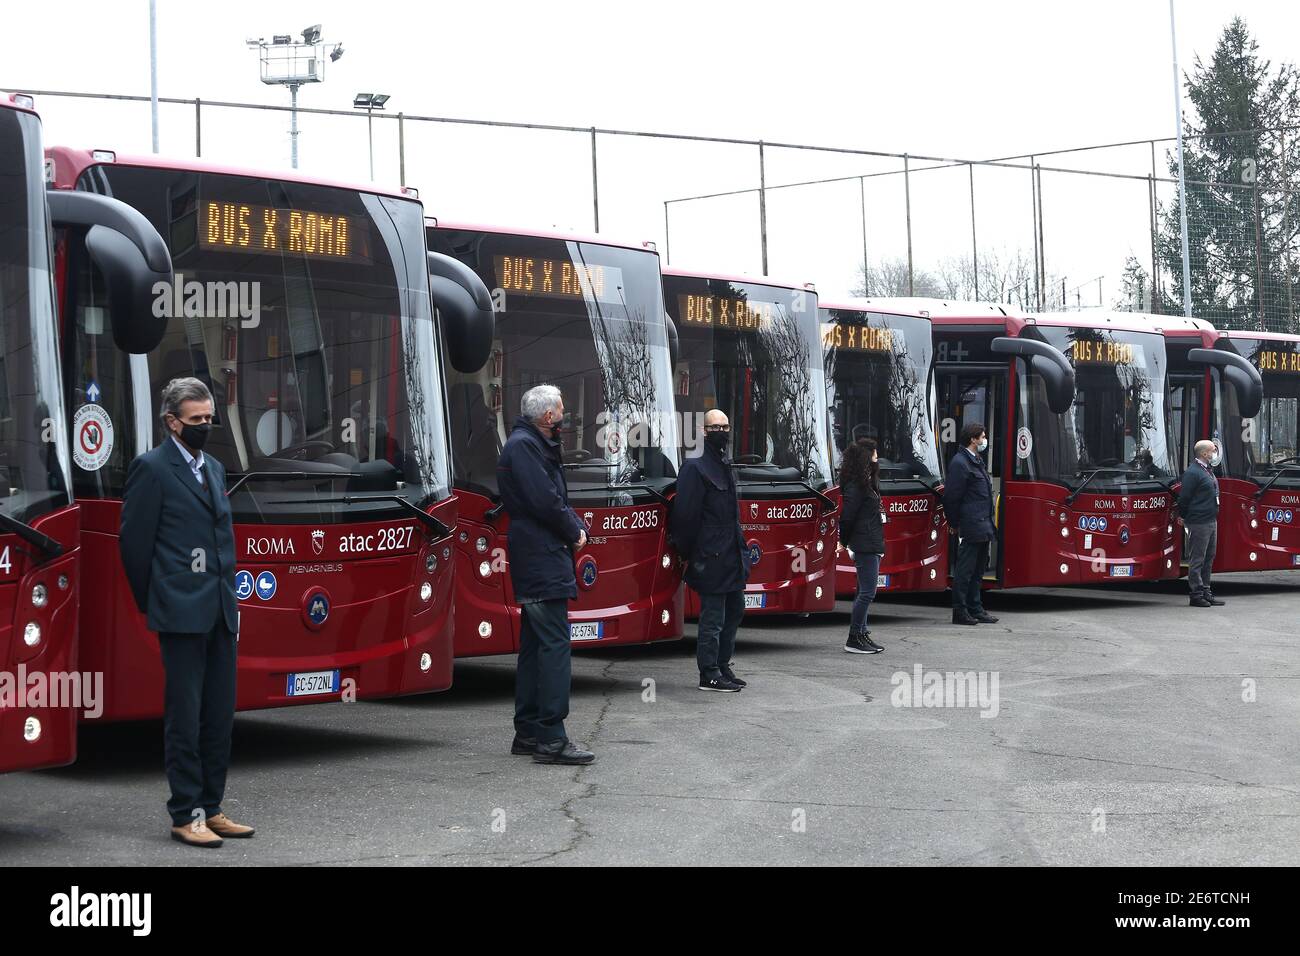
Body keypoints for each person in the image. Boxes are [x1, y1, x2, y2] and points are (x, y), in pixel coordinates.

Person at [119, 377, 253, 848]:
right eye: (196, 420)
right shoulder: (151, 469)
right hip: (179, 614)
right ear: (172, 422)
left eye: (209, 418)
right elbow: (135, 546)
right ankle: (185, 813)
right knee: (185, 716)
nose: (205, 426)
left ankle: (211, 807)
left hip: (220, 612)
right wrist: (158, 601)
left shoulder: (214, 468)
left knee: (218, 716)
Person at [497, 384, 595, 765]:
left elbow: (553, 500)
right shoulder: (525, 446)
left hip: (538, 555)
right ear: (549, 416)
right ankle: (552, 736)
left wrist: (574, 523)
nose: (565, 417)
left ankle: (529, 731)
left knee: (536, 647)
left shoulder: (529, 443)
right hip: (541, 556)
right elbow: (546, 501)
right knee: (554, 647)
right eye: (561, 411)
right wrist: (575, 531)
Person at [672, 409, 750, 692]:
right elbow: (685, 517)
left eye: (726, 426)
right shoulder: (695, 467)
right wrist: (689, 553)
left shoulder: (724, 464)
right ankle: (709, 673)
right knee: (713, 617)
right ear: (704, 431)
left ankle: (723, 665)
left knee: (735, 611)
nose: (723, 431)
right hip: (710, 556)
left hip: (732, 555)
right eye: (716, 427)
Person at [943, 422, 999, 626]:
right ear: (973, 439)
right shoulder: (960, 462)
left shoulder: (976, 460)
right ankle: (960, 611)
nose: (985, 440)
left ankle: (976, 608)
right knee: (964, 571)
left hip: (983, 523)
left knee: (977, 571)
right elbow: (951, 496)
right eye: (983, 437)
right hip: (971, 524)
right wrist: (953, 522)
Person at [839, 436, 886, 654]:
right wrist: (844, 541)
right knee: (868, 592)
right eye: (875, 454)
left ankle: (862, 632)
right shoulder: (856, 485)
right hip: (864, 542)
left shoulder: (868, 480)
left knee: (863, 591)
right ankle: (854, 637)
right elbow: (847, 516)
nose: (878, 458)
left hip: (872, 540)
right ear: (867, 457)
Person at [1179, 439, 1224, 608]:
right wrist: (1184, 516)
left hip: (1211, 520)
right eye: (1213, 451)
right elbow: (1184, 498)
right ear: (1204, 454)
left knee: (1208, 557)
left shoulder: (1207, 470)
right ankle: (1196, 594)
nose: (1215, 454)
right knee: (1197, 558)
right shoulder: (1193, 472)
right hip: (1199, 521)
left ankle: (1206, 591)